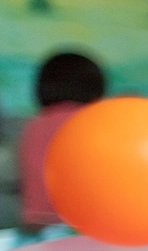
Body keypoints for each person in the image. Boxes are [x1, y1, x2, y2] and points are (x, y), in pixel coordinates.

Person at [19, 52, 106, 230]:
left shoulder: (35, 125)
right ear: (95, 89)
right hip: (80, 226)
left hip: (34, 225)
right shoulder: (93, 121)